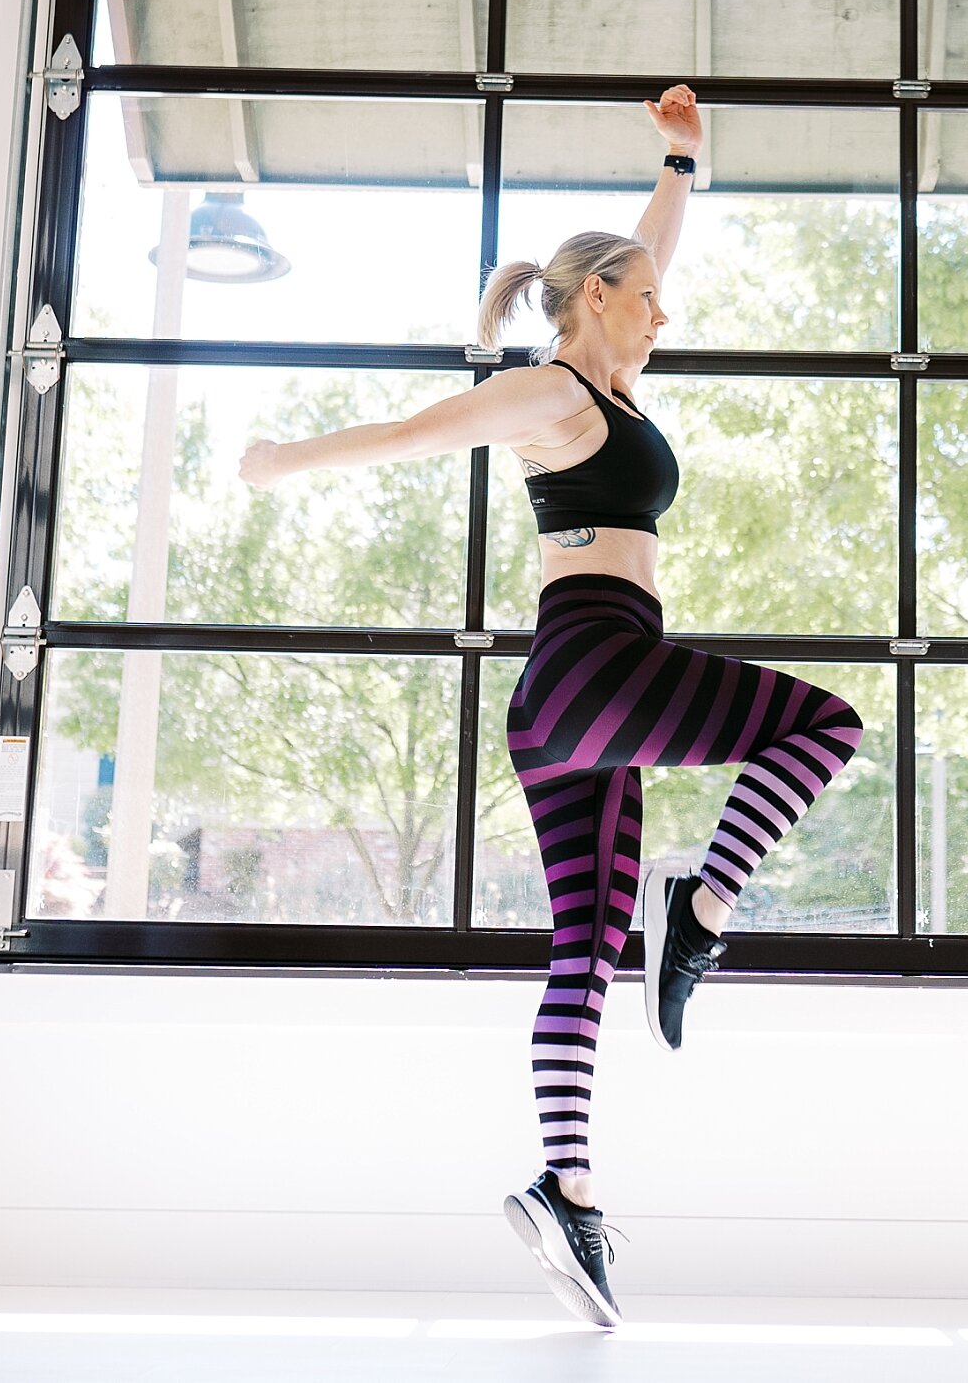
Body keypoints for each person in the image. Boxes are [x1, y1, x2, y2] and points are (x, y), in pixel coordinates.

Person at [238, 83, 865, 1327]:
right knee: (822, 726)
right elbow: (416, 434)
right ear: (593, 303)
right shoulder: (553, 397)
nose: (662, 308)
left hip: (575, 699)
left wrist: (679, 163)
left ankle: (566, 1188)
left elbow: (653, 250)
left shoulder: (612, 390)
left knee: (583, 951)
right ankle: (706, 902)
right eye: (642, 298)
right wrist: (281, 462)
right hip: (594, 667)